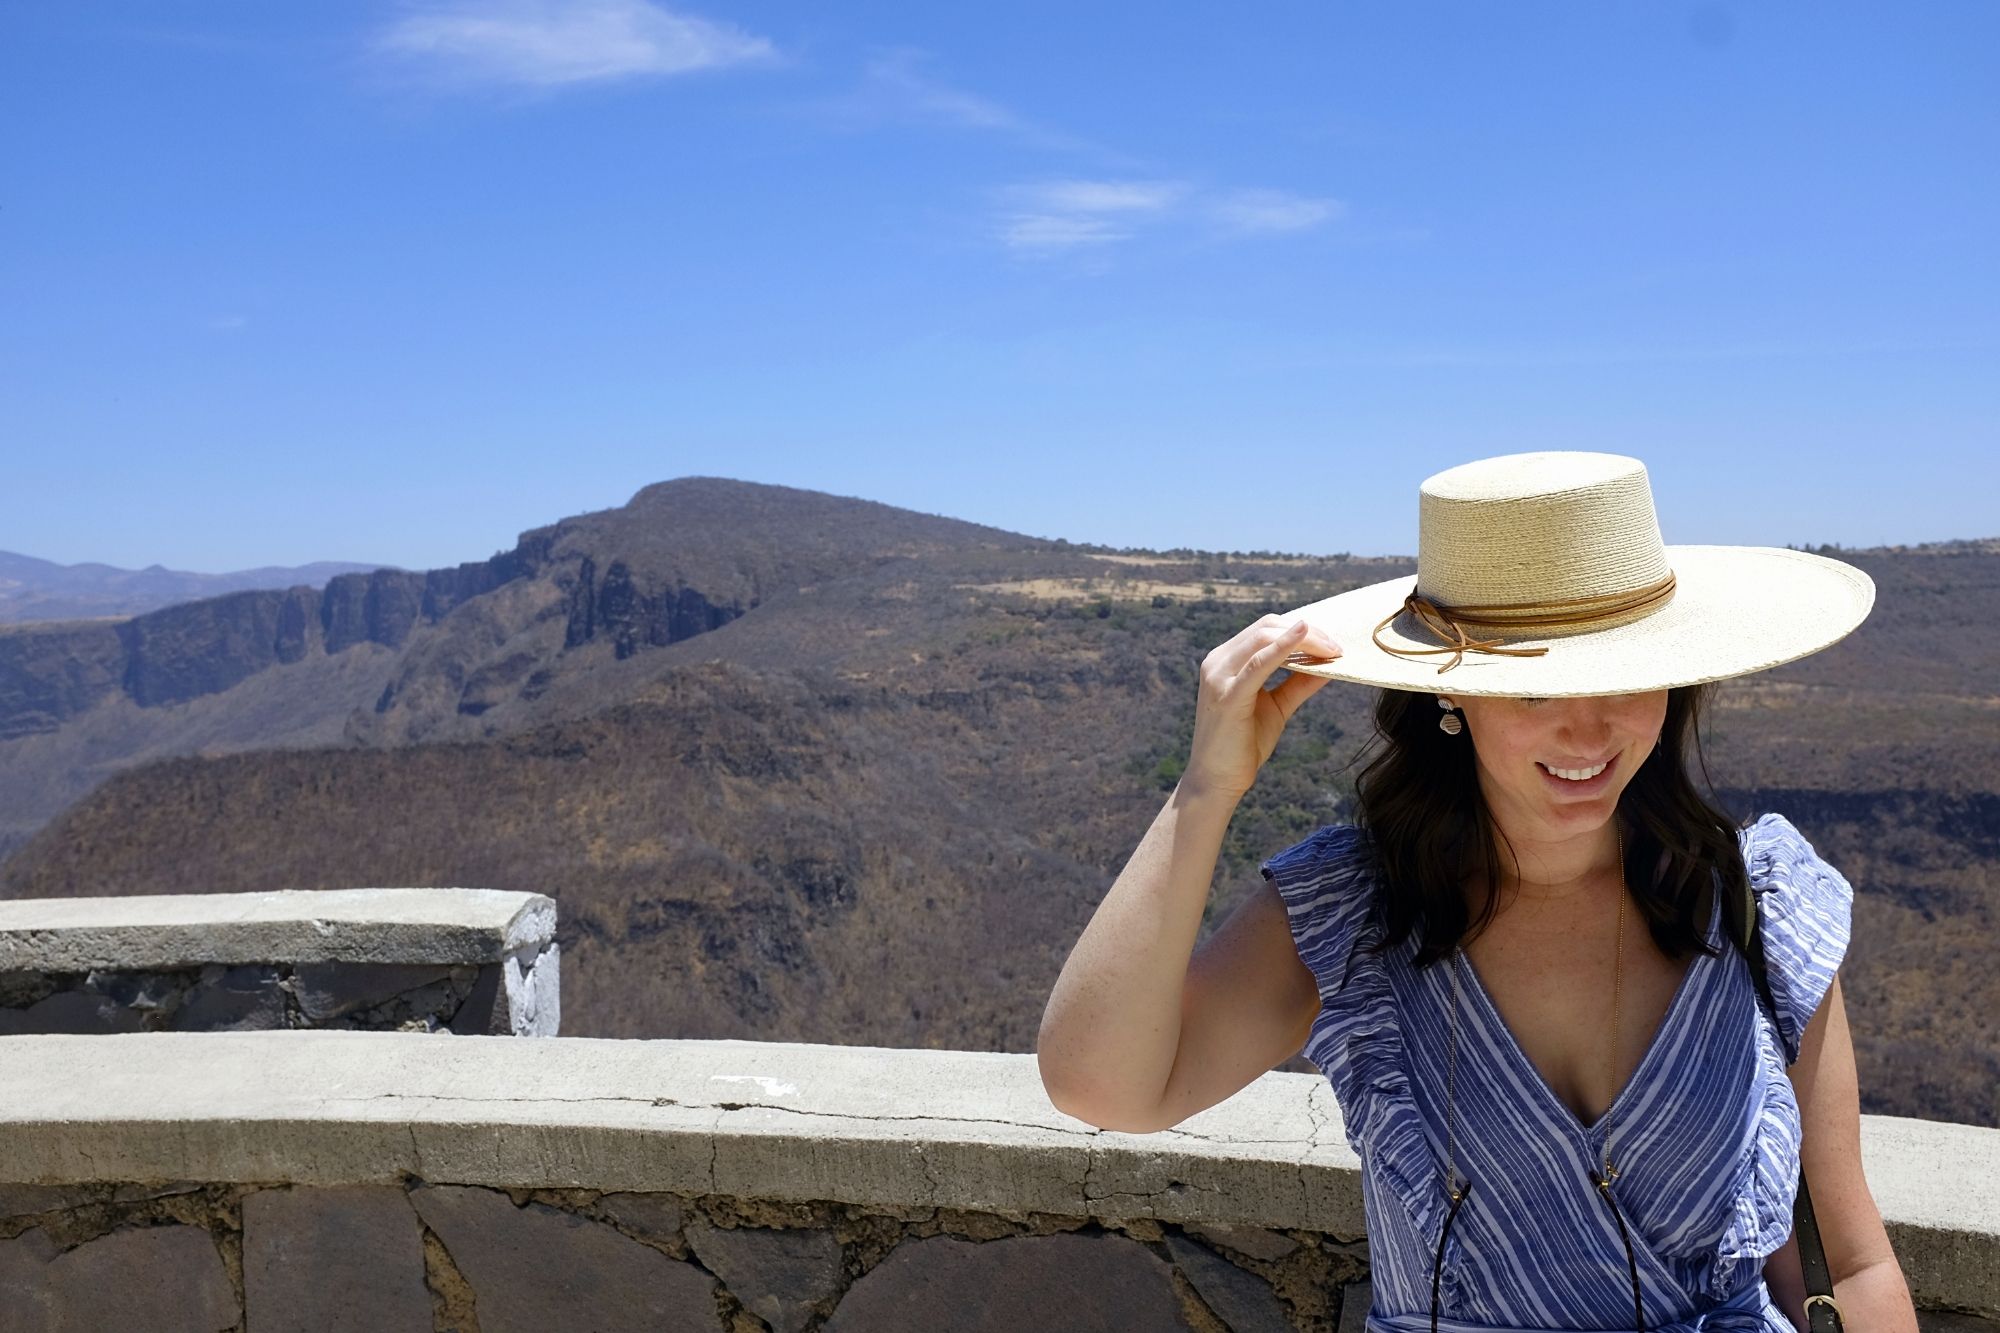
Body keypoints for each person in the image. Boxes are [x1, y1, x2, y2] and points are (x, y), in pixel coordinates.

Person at [1037, 452, 1918, 1332]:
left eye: (1625, 675)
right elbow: (1102, 1086)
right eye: (1535, 688)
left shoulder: (1755, 900)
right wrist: (1206, 791)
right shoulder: (1358, 912)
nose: (1588, 729)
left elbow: (1856, 1259)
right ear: (1455, 697)